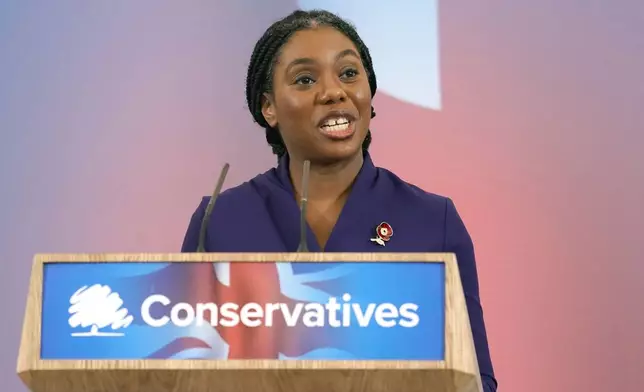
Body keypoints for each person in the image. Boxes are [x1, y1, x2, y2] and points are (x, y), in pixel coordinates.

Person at [181, 9, 497, 391]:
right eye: (305, 79)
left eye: (349, 73)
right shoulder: (221, 220)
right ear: (269, 107)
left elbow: (474, 377)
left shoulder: (432, 219)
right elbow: (185, 369)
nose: (334, 91)